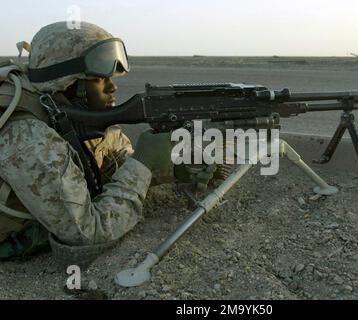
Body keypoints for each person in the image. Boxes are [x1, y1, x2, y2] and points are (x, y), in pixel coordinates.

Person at [0, 21, 214, 261]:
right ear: (68, 84)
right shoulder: (29, 139)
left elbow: (117, 166)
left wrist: (175, 169)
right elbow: (88, 234)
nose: (112, 87)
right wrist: (144, 161)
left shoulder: (74, 116)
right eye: (99, 80)